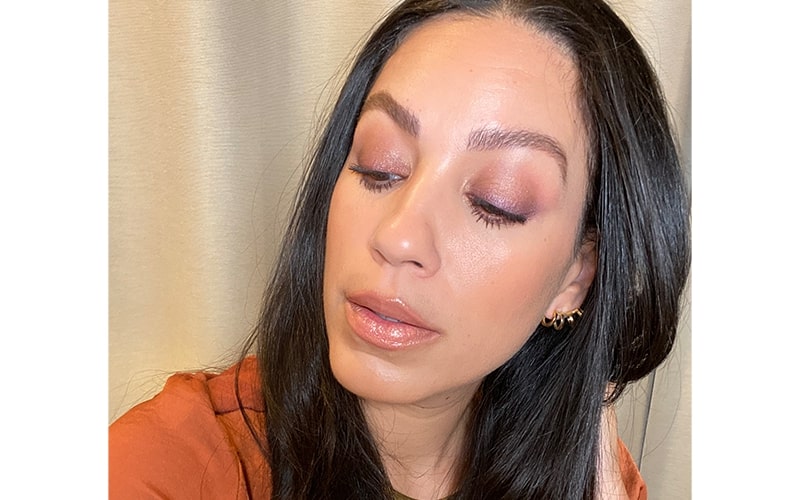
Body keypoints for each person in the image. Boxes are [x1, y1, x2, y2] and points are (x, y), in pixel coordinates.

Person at [109, 0, 690, 498]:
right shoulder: (168, 469)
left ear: (576, 277)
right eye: (379, 167)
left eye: (496, 201)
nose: (397, 236)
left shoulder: (593, 476)